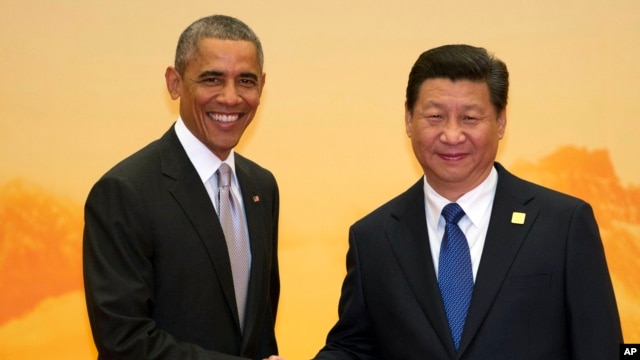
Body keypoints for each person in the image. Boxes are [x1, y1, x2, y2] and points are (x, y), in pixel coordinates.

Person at [313, 44, 622, 359]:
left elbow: (599, 347)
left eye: (470, 118)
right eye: (435, 116)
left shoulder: (562, 225)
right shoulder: (373, 238)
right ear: (408, 119)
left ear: (500, 121)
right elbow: (353, 348)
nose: (452, 135)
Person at [83, 15, 284, 360]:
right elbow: (124, 341)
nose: (231, 98)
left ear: (262, 87)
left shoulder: (261, 187)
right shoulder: (124, 192)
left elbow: (259, 326)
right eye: (212, 79)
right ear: (174, 83)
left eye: (246, 81)